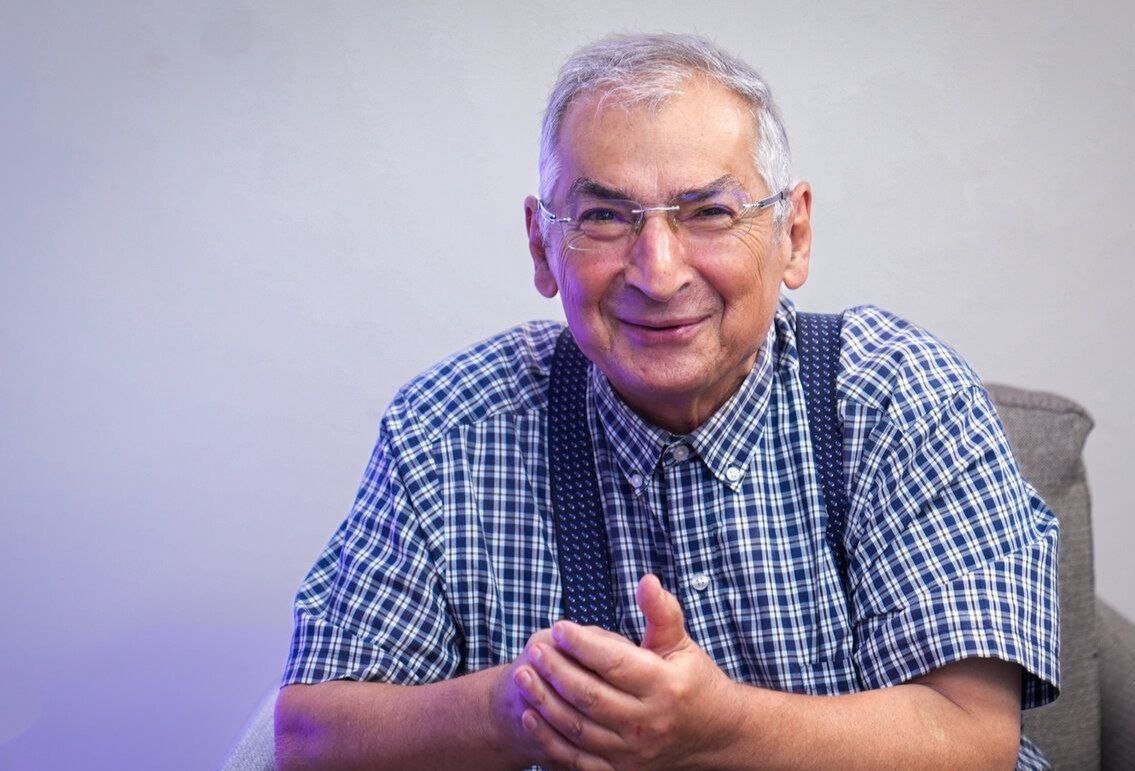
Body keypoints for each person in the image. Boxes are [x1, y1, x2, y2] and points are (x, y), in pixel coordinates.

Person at [275, 33, 1059, 769]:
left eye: (709, 213)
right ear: (542, 245)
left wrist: (721, 727)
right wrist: (519, 705)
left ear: (794, 234)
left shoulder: (900, 398)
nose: (658, 272)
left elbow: (974, 736)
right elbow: (308, 736)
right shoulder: (446, 431)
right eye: (604, 217)